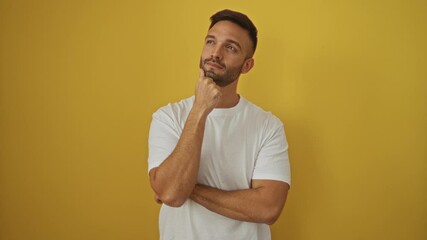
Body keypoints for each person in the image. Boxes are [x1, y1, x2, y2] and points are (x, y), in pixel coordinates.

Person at [148, 9, 291, 240]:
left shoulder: (268, 126)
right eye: (210, 42)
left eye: (230, 47)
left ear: (247, 65)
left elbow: (268, 208)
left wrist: (186, 188)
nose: (215, 53)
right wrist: (200, 109)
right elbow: (172, 196)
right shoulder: (168, 117)